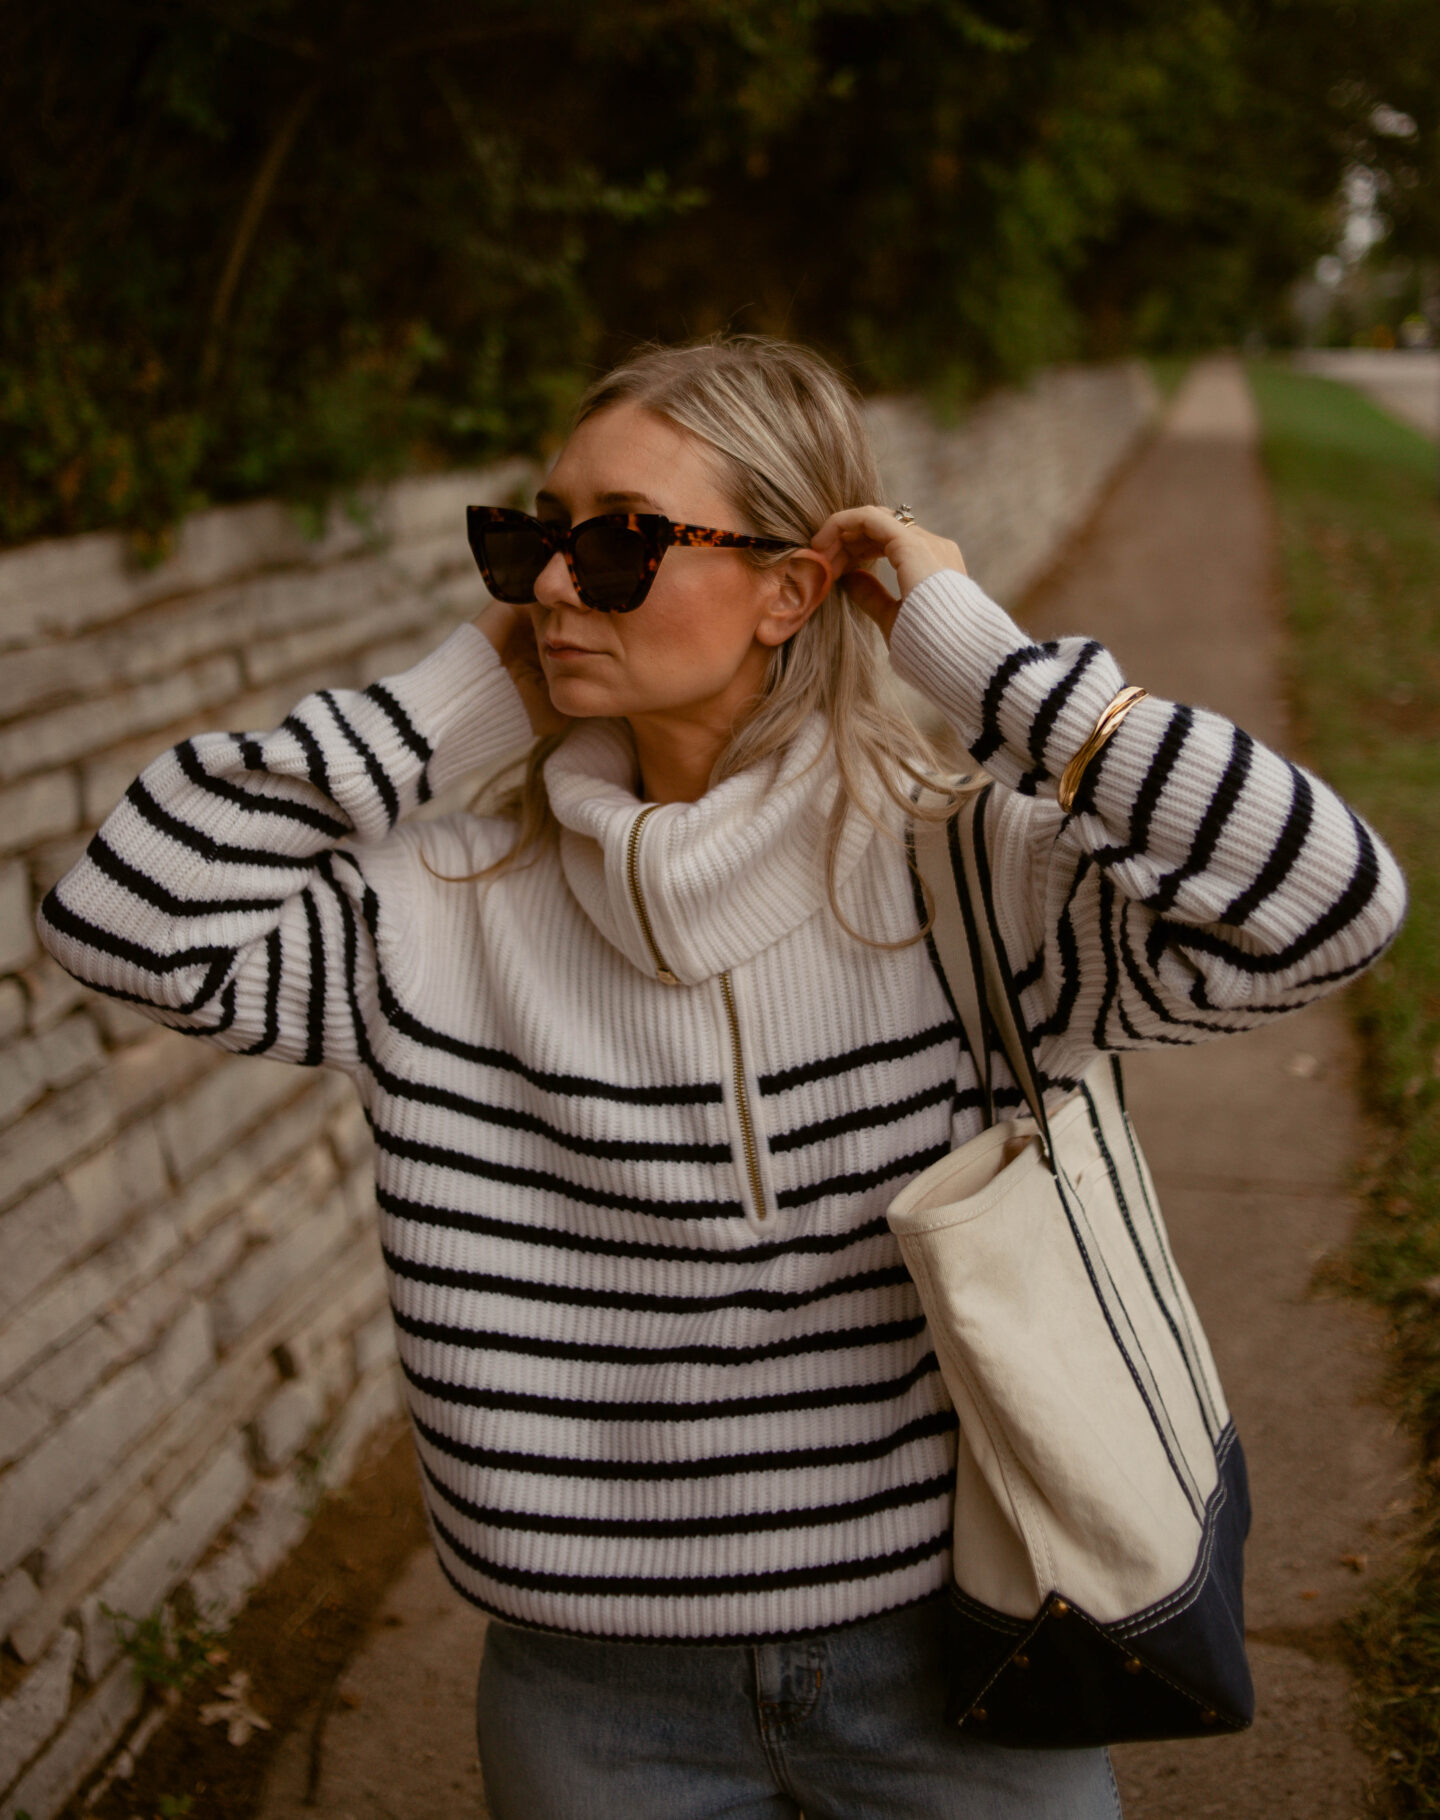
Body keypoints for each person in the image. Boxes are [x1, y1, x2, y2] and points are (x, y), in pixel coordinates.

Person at [38, 335, 1406, 1819]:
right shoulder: (436, 910)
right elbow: (127, 918)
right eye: (534, 536)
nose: (556, 580)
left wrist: (987, 664)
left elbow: (1325, 906)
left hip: (972, 1657)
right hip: (590, 1703)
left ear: (792, 589)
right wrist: (463, 694)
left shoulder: (969, 878)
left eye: (621, 541)